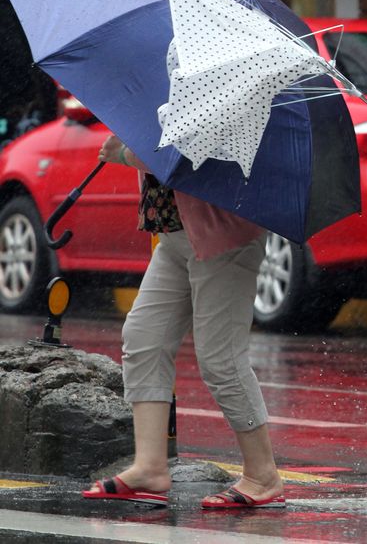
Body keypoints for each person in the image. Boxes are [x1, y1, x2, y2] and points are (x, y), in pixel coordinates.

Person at [82, 136, 285, 510]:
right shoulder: (168, 87)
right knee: (144, 337)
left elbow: (195, 155)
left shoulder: (214, 90)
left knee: (221, 358)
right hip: (175, 234)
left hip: (224, 233)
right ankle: (150, 467)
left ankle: (263, 475)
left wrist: (127, 154)